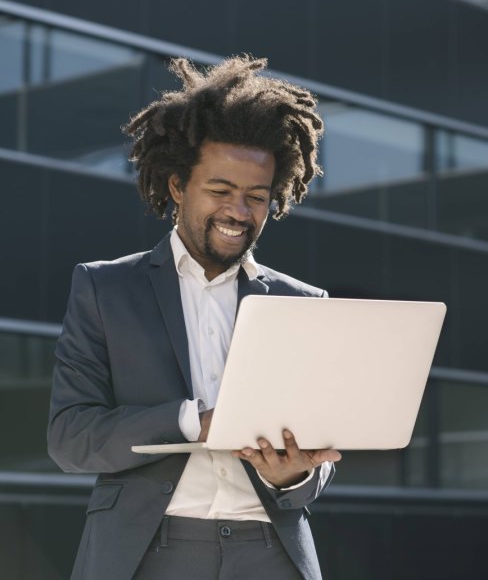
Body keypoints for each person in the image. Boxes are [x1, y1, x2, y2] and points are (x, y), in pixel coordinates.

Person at [47, 55, 341, 580]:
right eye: (220, 191)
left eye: (257, 197)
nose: (239, 212)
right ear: (178, 186)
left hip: (271, 550)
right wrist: (197, 422)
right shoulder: (105, 288)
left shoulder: (303, 303)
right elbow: (71, 437)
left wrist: (292, 477)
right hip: (148, 552)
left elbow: (315, 457)